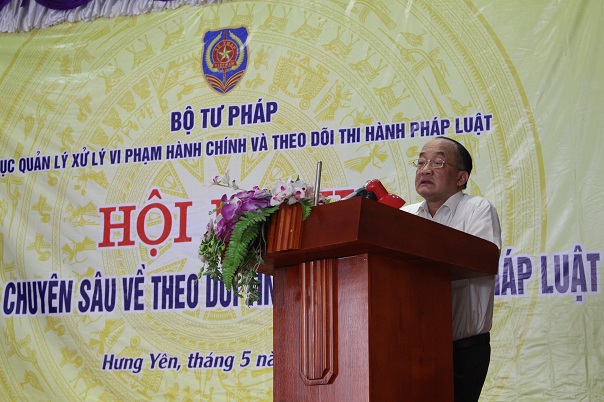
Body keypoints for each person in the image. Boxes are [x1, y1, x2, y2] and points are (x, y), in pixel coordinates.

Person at [401, 136, 502, 402]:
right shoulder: (405, 215)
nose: (425, 170)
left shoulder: (477, 209)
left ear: (461, 177)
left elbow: (480, 262)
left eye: (438, 163)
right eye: (421, 163)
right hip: (411, 348)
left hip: (462, 350)